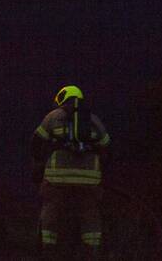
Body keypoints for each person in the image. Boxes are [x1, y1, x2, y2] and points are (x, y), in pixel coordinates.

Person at [31, 85, 111, 258]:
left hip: (57, 180)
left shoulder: (52, 117)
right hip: (89, 182)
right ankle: (92, 252)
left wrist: (40, 163)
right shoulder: (94, 120)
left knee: (51, 212)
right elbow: (106, 147)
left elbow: (36, 143)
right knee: (90, 215)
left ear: (62, 97)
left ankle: (49, 251)